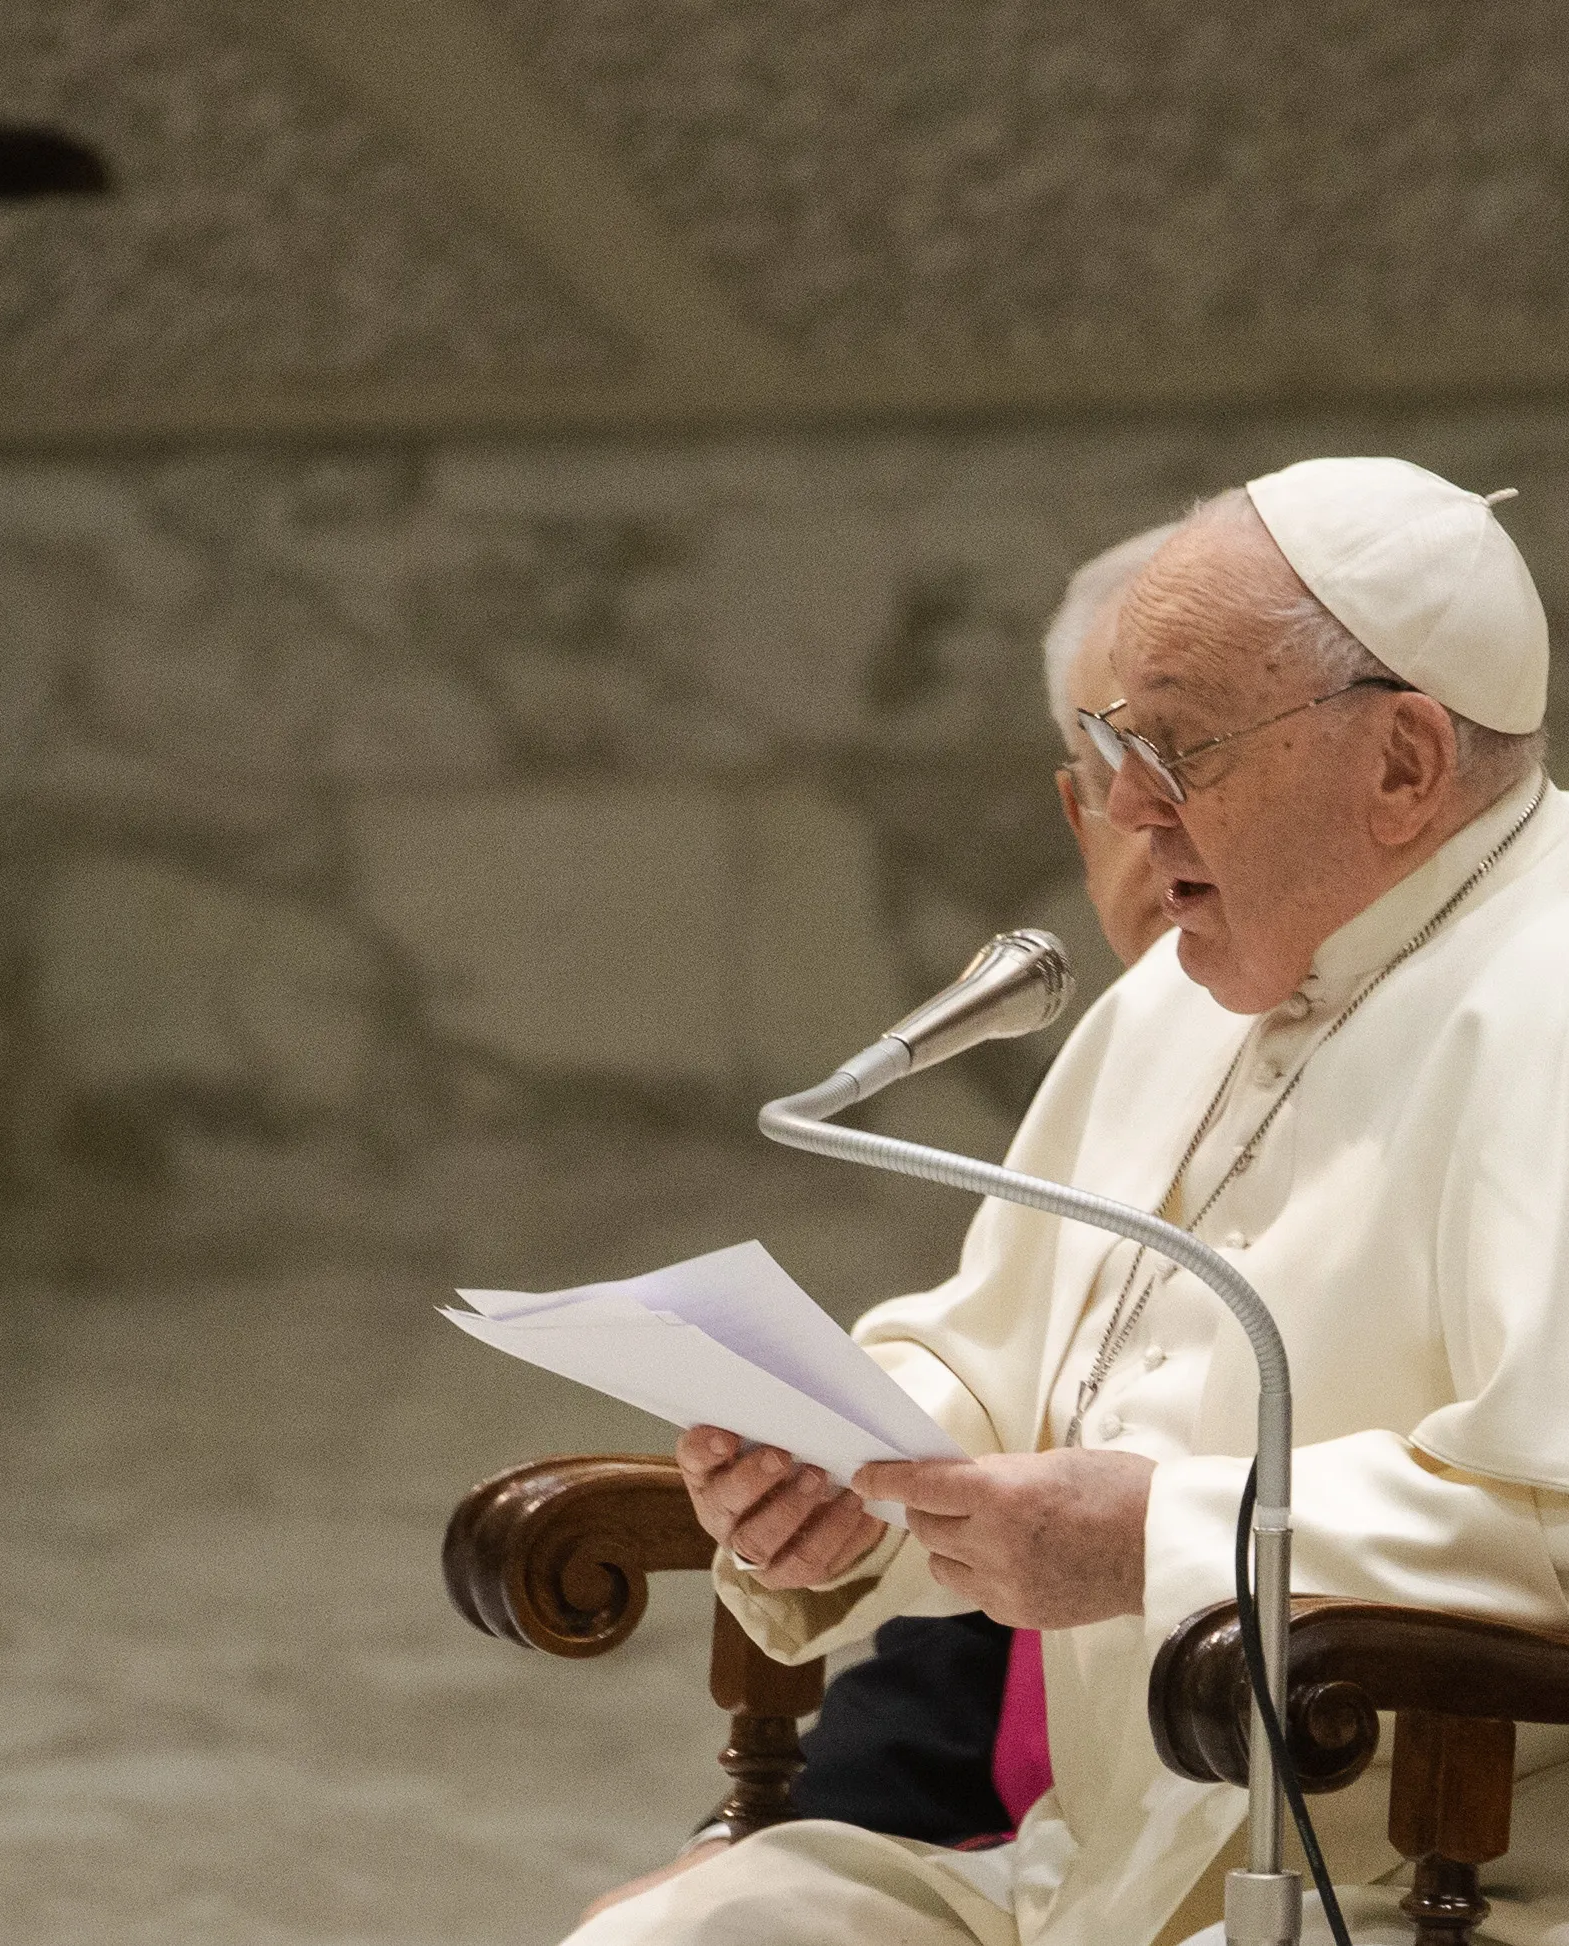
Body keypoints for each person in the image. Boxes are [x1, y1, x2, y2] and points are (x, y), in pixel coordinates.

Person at [571, 460, 1569, 1946]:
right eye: (1115, 745)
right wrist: (845, 1476)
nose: (1131, 812)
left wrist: (1164, 1536)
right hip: (1159, 1858)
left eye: (1182, 749)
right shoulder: (1185, 996)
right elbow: (1005, 1355)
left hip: (1548, 1868)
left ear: (1402, 763)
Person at [581, 524, 1179, 1922]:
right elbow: (982, 1645)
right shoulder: (1141, 1059)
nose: (1161, 823)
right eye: (1115, 773)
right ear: (1075, 815)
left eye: (1199, 761)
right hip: (1056, 1831)